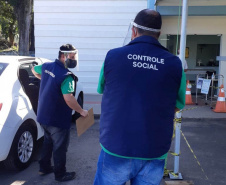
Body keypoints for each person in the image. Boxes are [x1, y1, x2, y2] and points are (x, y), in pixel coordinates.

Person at [94, 9, 186, 185]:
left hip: (116, 145)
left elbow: (103, 89)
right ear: (159, 34)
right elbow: (177, 104)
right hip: (154, 148)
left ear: (134, 31)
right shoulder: (175, 64)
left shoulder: (112, 56)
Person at [32, 44, 88, 182]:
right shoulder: (66, 77)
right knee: (60, 147)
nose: (74, 59)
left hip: (43, 115)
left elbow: (34, 69)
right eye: (73, 56)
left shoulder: (46, 66)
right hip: (57, 119)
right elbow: (69, 98)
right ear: (64, 56)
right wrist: (82, 111)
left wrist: (44, 78)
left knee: (47, 142)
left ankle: (44, 167)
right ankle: (60, 174)